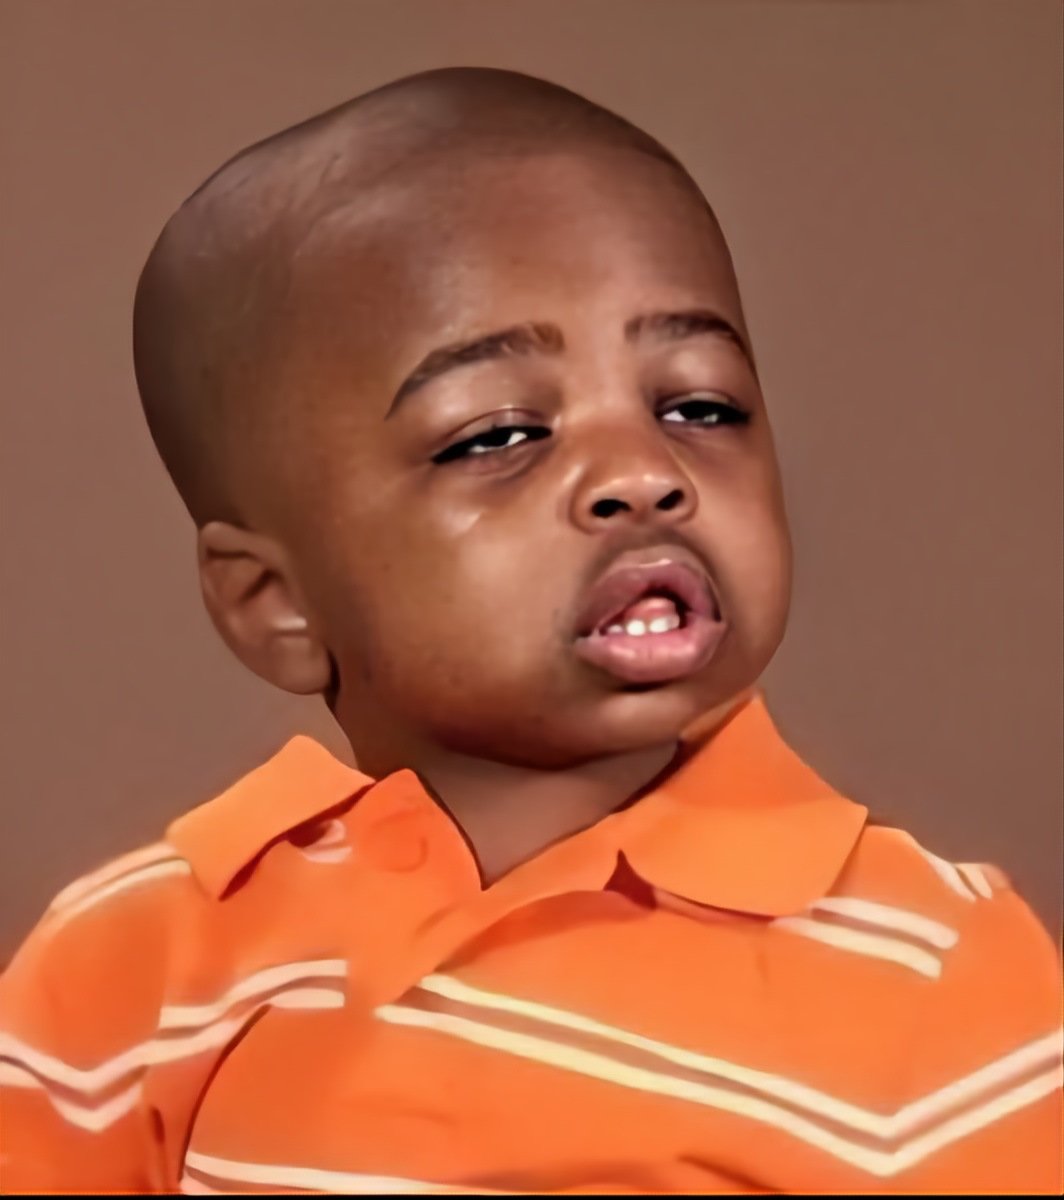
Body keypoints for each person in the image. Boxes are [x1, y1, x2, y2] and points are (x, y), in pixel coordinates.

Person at [1, 67, 1059, 1195]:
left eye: (697, 406)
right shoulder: (141, 959)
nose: (642, 473)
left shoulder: (940, 967)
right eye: (499, 435)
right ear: (276, 604)